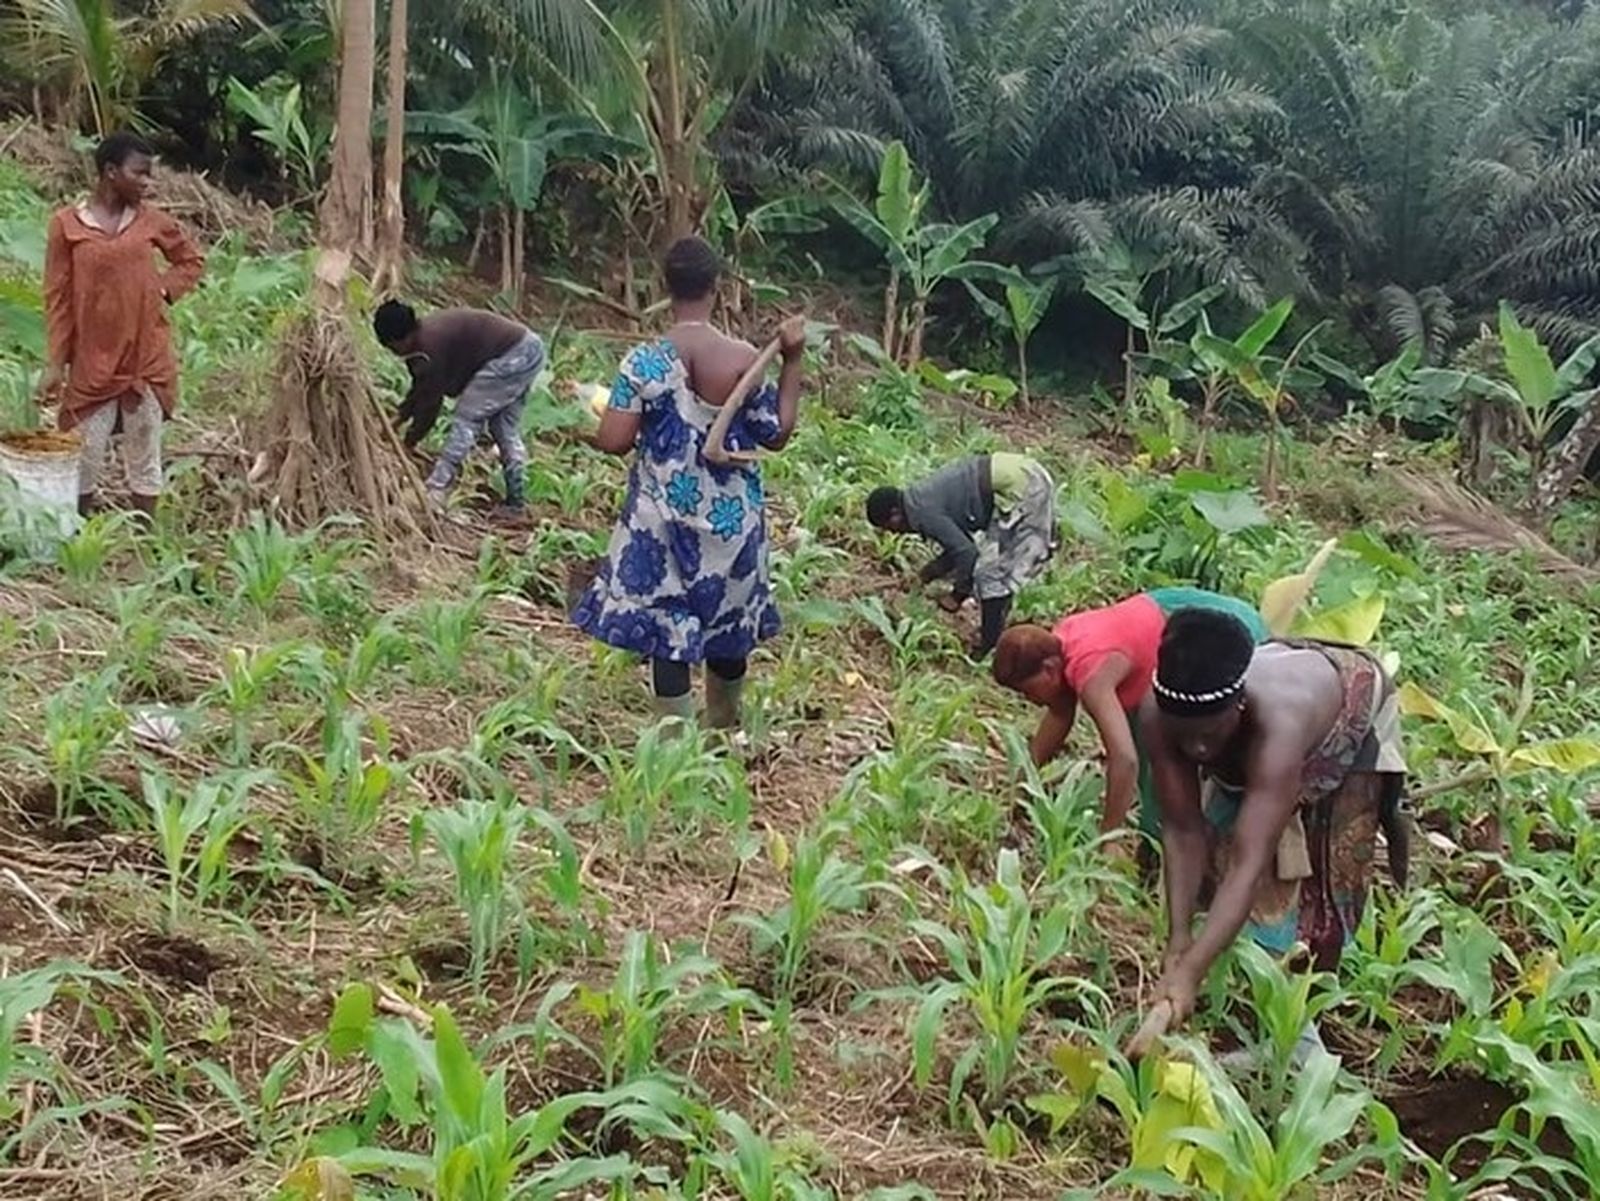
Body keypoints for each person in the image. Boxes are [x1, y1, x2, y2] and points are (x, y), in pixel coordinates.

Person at [1136, 608, 1407, 1055]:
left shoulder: (1279, 726)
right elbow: (1183, 831)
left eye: (1208, 734)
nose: (1196, 749)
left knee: (1330, 873)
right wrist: (1179, 939)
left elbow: (1250, 861)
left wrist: (1188, 973)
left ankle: (1299, 1022)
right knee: (1211, 868)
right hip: (1259, 733)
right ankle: (1239, 995)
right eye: (1184, 737)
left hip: (1347, 715)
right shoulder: (1158, 717)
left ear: (1239, 707)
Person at [571, 236, 805, 732]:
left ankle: (674, 752)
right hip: (730, 522)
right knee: (730, 628)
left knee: (666, 631)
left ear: (665, 288)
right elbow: (777, 433)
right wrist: (792, 361)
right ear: (716, 288)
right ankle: (723, 730)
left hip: (662, 522)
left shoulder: (644, 363)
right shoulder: (743, 358)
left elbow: (614, 441)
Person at [992, 587, 1268, 838]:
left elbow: (1124, 759)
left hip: (1215, 632)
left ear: (1050, 669)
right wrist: (1019, 788)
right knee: (1150, 745)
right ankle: (1155, 840)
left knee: (1209, 749)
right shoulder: (1061, 641)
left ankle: (1206, 838)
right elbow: (1059, 716)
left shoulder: (1092, 673)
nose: (1029, 700)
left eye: (1027, 691)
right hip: (1168, 616)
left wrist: (1107, 837)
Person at [40, 131, 205, 519]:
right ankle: (79, 530)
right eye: (140, 173)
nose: (147, 182)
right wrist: (55, 362)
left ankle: (147, 538)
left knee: (145, 449)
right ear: (111, 172)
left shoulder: (152, 221)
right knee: (83, 452)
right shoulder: (67, 225)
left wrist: (163, 292)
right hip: (92, 359)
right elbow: (58, 299)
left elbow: (190, 260)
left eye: (150, 174)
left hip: (144, 359)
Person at [866, 453, 1058, 657]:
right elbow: (958, 547)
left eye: (889, 528)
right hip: (1017, 473)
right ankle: (994, 634)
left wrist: (958, 594)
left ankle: (989, 648)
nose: (894, 533)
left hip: (1019, 486)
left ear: (895, 514)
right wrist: (924, 576)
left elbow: (967, 552)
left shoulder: (922, 512)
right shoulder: (918, 499)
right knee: (997, 568)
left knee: (990, 574)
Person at [373, 300, 545, 519]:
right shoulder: (422, 340)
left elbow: (429, 406)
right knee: (503, 428)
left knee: (467, 417)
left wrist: (408, 444)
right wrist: (396, 420)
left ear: (401, 339)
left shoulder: (429, 348)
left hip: (512, 355)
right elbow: (420, 389)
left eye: (392, 348)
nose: (394, 354)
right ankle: (516, 501)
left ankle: (436, 489)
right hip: (528, 347)